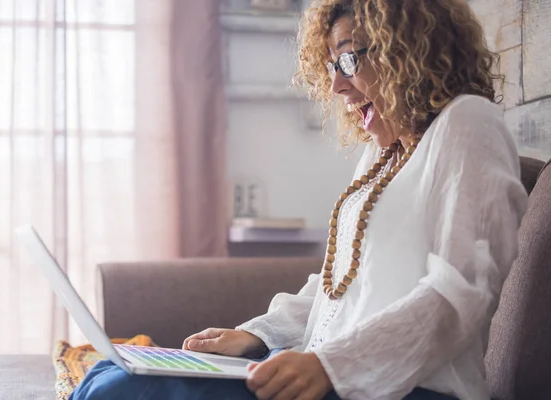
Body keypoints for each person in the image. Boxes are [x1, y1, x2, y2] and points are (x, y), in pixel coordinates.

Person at [70, 0, 528, 399]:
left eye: (348, 61)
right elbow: (340, 286)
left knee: (122, 390)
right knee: (109, 369)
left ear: (407, 53)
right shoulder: (382, 155)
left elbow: (461, 291)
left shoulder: (469, 123)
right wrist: (255, 335)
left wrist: (330, 366)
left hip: (407, 390)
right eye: (332, 67)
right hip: (336, 378)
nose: (336, 87)